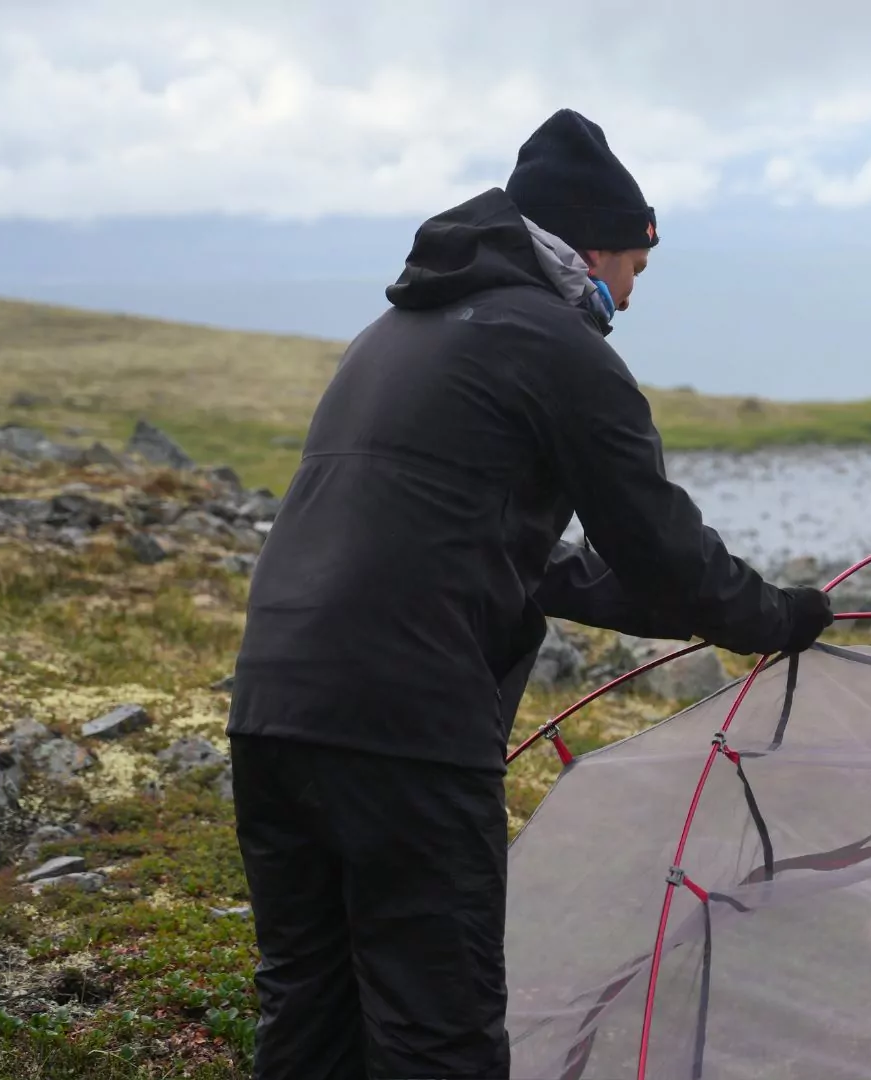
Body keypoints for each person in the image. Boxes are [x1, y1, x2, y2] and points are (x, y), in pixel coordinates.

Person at [224, 108, 835, 1080]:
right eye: (637, 268)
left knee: (311, 1007)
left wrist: (694, 608)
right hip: (407, 728)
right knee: (439, 1027)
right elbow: (659, 544)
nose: (631, 298)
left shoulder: (392, 333)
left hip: (273, 711)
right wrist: (777, 618)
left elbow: (530, 560)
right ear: (595, 248)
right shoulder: (558, 349)